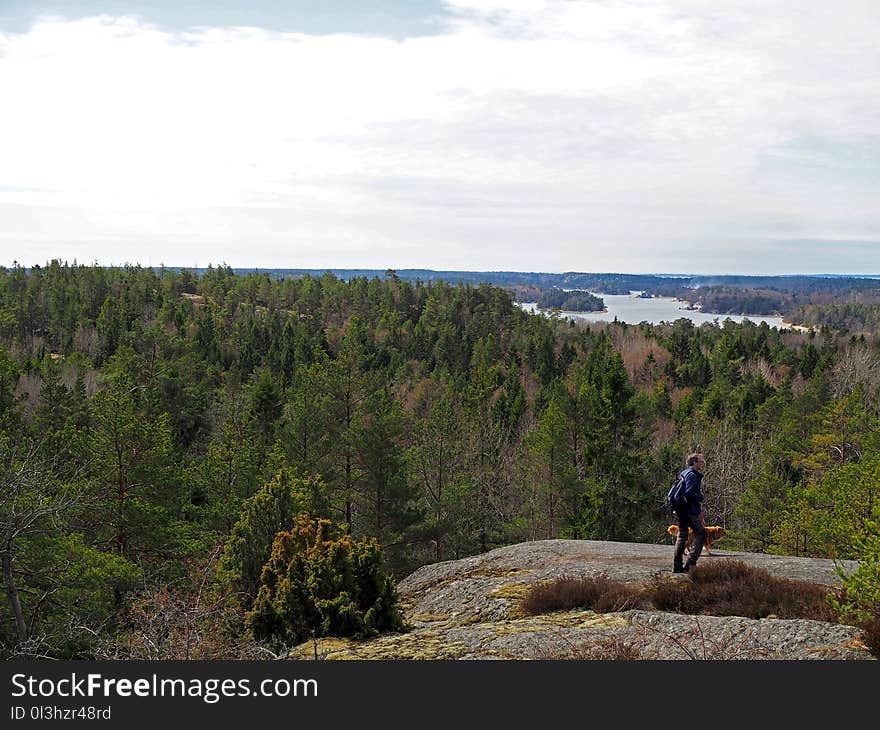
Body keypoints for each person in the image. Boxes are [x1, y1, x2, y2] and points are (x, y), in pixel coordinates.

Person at [672, 453, 708, 574]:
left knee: (682, 535)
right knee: (702, 534)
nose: (703, 463)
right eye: (701, 461)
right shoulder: (692, 475)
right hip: (689, 511)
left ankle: (677, 566)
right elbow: (688, 494)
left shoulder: (684, 472)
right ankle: (690, 564)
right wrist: (700, 497)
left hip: (679, 509)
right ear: (694, 462)